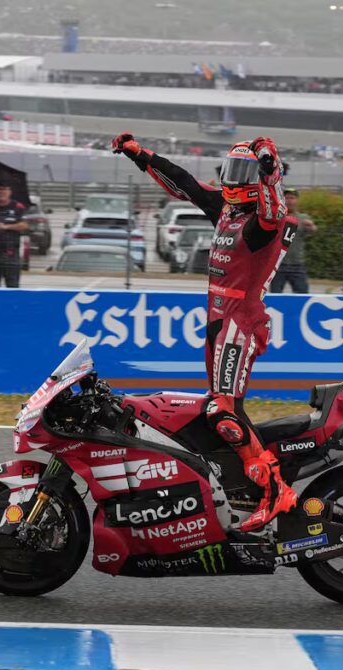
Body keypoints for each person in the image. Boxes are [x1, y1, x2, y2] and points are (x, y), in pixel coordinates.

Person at [112, 131, 296, 532]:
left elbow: (275, 210)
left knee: (221, 410)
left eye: (241, 172)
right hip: (216, 318)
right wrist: (141, 155)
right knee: (224, 408)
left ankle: (275, 490)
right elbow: (186, 184)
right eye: (231, 170)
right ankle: (243, 488)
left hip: (240, 319)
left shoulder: (263, 222)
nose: (231, 181)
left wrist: (268, 170)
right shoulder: (227, 210)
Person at [0, 181, 27, 288]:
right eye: (0, 189)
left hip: (10, 254)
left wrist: (6, 227)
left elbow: (25, 225)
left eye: (5, 189)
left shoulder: (18, 207)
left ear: (10, 192)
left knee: (12, 288)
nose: (2, 192)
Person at [270, 188, 315, 294]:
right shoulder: (276, 217)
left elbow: (313, 231)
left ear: (297, 200)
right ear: (282, 200)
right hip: (278, 265)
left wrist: (311, 227)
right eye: (287, 198)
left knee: (302, 297)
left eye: (292, 198)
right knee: (276, 297)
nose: (289, 200)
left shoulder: (303, 218)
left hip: (297, 266)